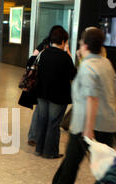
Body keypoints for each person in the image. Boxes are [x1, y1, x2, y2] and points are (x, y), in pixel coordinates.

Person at [45, 28, 116, 184]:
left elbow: (91, 98)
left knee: (72, 160)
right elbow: (113, 86)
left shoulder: (87, 67)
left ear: (85, 44)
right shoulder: (105, 63)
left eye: (81, 42)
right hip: (108, 122)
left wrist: (88, 129)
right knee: (106, 165)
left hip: (87, 124)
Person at [34, 26, 77, 159]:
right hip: (58, 96)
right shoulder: (65, 57)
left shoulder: (44, 53)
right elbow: (73, 75)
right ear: (64, 41)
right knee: (53, 123)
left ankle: (39, 148)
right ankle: (50, 152)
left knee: (42, 120)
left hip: (42, 93)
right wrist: (69, 55)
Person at [27, 26, 64, 146]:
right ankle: (39, 138)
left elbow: (32, 58)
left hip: (40, 84)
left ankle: (33, 136)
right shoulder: (57, 48)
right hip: (52, 86)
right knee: (47, 114)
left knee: (40, 111)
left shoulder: (43, 44)